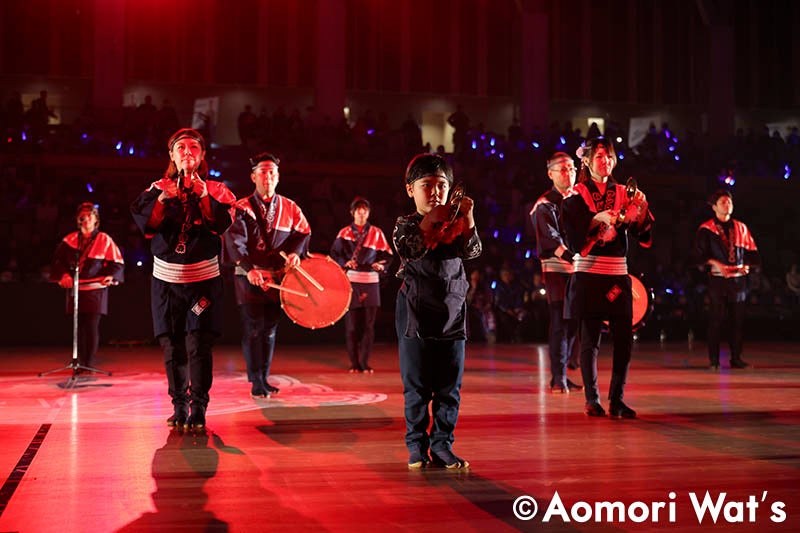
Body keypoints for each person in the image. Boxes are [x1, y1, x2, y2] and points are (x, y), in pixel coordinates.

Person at [131, 128, 236, 430]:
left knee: (198, 344)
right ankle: (178, 406)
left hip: (202, 282)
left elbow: (221, 224)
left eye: (193, 147)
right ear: (171, 155)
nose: (187, 152)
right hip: (166, 283)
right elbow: (145, 224)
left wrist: (202, 194)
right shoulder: (158, 187)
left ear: (202, 156)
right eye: (180, 147)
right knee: (172, 346)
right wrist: (164, 199)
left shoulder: (217, 190)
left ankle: (199, 408)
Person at [393, 153, 481, 469]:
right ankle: (416, 446)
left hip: (453, 311)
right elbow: (412, 248)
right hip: (416, 312)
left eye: (441, 185)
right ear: (410, 190)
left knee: (449, 386)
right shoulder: (405, 225)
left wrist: (467, 217)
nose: (435, 192)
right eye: (426, 185)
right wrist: (435, 217)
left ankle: (443, 444)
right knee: (417, 385)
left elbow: (472, 251)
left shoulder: (456, 223)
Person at [561, 137, 654, 419]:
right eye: (600, 156)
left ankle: (618, 400)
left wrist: (639, 213)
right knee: (590, 340)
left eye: (610, 156)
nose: (606, 161)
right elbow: (575, 237)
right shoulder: (575, 194)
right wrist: (598, 219)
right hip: (589, 272)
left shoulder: (626, 192)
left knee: (624, 339)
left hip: (617, 273)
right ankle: (592, 399)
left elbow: (643, 231)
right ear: (587, 161)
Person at [223, 152, 311, 398]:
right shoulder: (241, 207)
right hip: (249, 275)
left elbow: (302, 233)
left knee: (270, 329)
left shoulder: (290, 207)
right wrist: (249, 268)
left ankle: (263, 376)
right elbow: (234, 242)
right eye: (263, 171)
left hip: (277, 277)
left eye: (272, 172)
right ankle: (256, 380)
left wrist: (295, 253)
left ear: (278, 177)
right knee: (253, 327)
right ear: (253, 177)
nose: (268, 176)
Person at [530, 152, 583, 393]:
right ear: (550, 173)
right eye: (562, 169)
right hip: (557, 269)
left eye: (571, 168)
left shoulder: (580, 198)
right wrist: (571, 255)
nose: (568, 173)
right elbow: (550, 238)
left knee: (575, 321)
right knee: (561, 321)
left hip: (580, 267)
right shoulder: (545, 204)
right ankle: (557, 377)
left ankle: (567, 369)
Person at [50, 202, 124, 371]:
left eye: (90, 215)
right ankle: (79, 362)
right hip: (76, 288)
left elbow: (117, 263)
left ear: (95, 219)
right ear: (78, 219)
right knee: (79, 326)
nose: (86, 219)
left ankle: (88, 363)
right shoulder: (69, 240)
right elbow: (58, 262)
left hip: (95, 288)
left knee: (90, 325)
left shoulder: (104, 239)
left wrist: (110, 276)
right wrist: (64, 275)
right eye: (83, 216)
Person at [694, 189, 760, 369]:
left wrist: (748, 265)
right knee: (715, 320)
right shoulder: (706, 229)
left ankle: (736, 358)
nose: (727, 204)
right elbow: (698, 257)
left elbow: (753, 254)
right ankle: (714, 360)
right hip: (717, 280)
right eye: (723, 202)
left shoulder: (741, 227)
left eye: (729, 202)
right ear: (714, 207)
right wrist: (715, 264)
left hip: (738, 281)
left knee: (737, 322)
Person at [329, 197, 393, 373]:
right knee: (351, 327)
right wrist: (345, 262)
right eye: (358, 209)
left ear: (369, 213)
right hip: (351, 282)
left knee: (368, 326)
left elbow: (388, 256)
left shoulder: (377, 233)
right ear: (352, 212)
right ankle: (354, 363)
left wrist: (382, 265)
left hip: (371, 281)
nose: (362, 212)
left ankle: (364, 363)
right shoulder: (344, 233)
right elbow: (334, 254)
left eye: (365, 209)